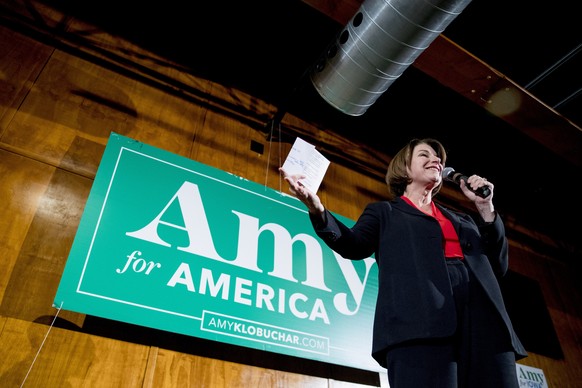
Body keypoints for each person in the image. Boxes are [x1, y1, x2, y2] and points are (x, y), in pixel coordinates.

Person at [279, 138, 527, 388]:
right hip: (420, 326)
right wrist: (317, 208)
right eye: (424, 155)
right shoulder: (384, 213)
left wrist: (486, 208)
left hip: (485, 326)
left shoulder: (463, 219)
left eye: (438, 157)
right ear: (404, 169)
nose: (436, 160)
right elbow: (352, 244)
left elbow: (497, 267)